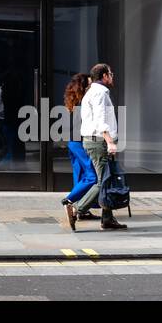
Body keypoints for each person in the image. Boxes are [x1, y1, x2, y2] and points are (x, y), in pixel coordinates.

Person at [65, 62, 127, 231]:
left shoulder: (91, 92)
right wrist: (109, 141)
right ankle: (77, 209)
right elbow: (100, 120)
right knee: (103, 181)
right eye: (111, 74)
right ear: (104, 76)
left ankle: (107, 219)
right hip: (98, 141)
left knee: (107, 179)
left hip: (92, 140)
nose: (112, 77)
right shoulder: (100, 92)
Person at [61, 72, 99, 229]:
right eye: (89, 84)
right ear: (83, 86)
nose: (91, 86)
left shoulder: (73, 101)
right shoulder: (85, 102)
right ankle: (69, 201)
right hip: (80, 142)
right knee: (92, 176)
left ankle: (82, 211)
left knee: (80, 175)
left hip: (72, 142)